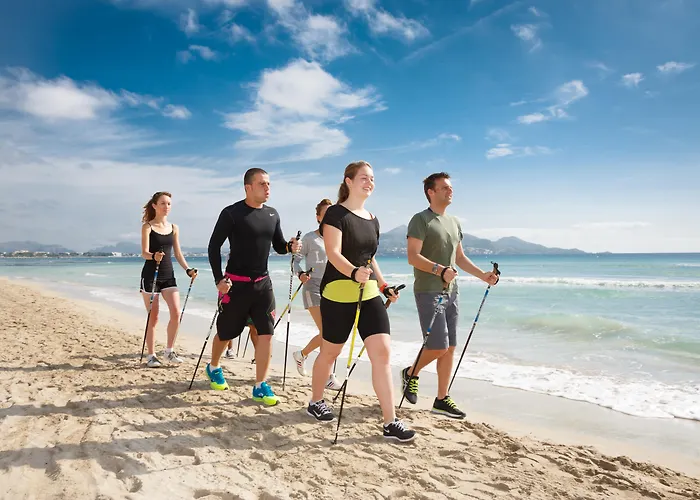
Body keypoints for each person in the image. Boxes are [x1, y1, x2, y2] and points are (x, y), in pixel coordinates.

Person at [305, 161, 416, 442]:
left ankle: (390, 421)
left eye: (372, 179)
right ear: (349, 181)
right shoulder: (335, 214)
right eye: (364, 178)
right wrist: (353, 272)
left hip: (368, 294)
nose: (370, 183)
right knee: (330, 352)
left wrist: (384, 285)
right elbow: (333, 253)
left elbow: (370, 258)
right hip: (338, 293)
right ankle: (316, 401)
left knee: (382, 353)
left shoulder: (373, 219)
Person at [402, 172, 499, 418]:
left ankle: (441, 399)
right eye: (444, 187)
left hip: (452, 291)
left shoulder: (454, 222)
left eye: (451, 187)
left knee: (450, 347)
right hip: (428, 290)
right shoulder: (420, 219)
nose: (450, 191)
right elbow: (413, 256)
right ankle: (410, 373)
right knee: (438, 346)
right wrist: (440, 270)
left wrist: (483, 275)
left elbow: (459, 257)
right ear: (431, 192)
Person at [206, 168, 301, 406]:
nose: (267, 188)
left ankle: (260, 385)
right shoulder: (231, 213)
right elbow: (213, 246)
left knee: (266, 333)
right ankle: (214, 366)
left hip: (262, 285)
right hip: (235, 285)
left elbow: (278, 246)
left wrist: (290, 247)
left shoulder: (272, 214)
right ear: (248, 187)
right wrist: (219, 279)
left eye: (269, 184)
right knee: (226, 333)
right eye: (262, 184)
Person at [139, 191, 198, 368]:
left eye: (169, 204)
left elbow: (178, 253)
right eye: (163, 203)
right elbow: (144, 253)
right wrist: (153, 256)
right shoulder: (147, 227)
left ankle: (169, 351)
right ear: (154, 206)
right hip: (151, 276)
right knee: (153, 317)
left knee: (176, 313)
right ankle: (151, 355)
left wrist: (188, 269)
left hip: (168, 276)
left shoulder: (174, 228)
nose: (167, 207)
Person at [292, 198, 343, 391]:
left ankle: (302, 354)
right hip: (312, 288)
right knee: (328, 333)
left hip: (333, 289)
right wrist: (300, 274)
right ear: (318, 217)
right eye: (326, 214)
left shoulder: (338, 238)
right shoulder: (309, 239)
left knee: (330, 333)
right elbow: (295, 261)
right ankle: (328, 376)